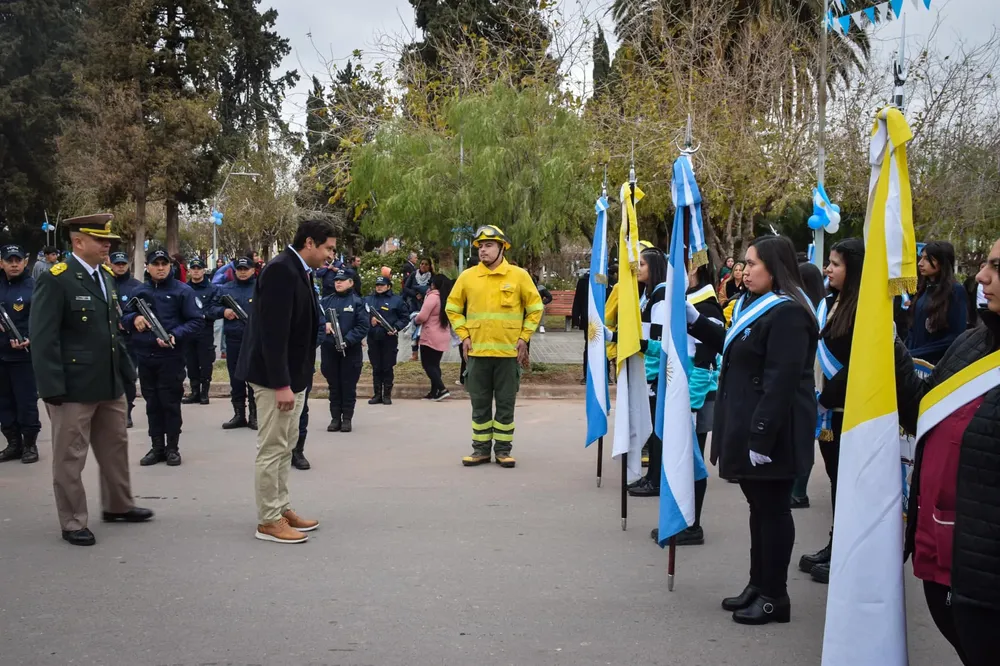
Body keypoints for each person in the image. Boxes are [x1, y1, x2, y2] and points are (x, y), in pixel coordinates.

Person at [686, 235, 818, 625]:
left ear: (775, 269)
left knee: (773, 510)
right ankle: (758, 584)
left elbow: (781, 381)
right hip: (751, 425)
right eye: (744, 262)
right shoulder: (753, 305)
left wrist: (761, 434)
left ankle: (776, 595)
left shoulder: (788, 312)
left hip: (775, 431)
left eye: (753, 263)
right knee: (758, 508)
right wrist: (695, 321)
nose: (744, 270)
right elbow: (735, 348)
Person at [896, 237, 1000, 666]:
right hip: (940, 559)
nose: (982, 276)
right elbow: (921, 411)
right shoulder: (972, 344)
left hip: (986, 580)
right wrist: (888, 344)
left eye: (997, 266)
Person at [29, 213, 153, 546]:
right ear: (78, 242)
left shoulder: (106, 277)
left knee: (115, 447)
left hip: (108, 382)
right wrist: (51, 387)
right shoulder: (57, 278)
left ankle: (118, 505)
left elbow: (111, 332)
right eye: (100, 240)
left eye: (108, 240)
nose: (107, 245)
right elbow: (43, 337)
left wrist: (125, 372)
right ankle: (72, 521)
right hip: (73, 386)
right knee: (70, 457)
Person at [236, 219, 335, 544]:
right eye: (328, 248)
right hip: (273, 379)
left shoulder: (300, 270)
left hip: (294, 377)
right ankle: (268, 520)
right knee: (272, 447)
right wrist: (281, 384)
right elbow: (272, 334)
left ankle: (281, 508)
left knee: (286, 445)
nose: (331, 256)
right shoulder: (280, 270)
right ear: (310, 243)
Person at [446, 225, 543, 468]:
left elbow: (535, 309)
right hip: (477, 353)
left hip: (508, 354)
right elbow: (452, 308)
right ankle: (480, 450)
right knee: (479, 404)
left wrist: (524, 337)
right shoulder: (467, 277)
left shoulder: (518, 276)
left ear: (502, 248)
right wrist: (464, 335)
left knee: (505, 404)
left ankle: (503, 451)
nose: (483, 250)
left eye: (489, 245)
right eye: (480, 246)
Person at [797, 239, 864, 582]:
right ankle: (836, 543)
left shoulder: (866, 307)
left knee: (851, 484)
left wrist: (825, 397)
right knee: (837, 480)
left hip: (847, 409)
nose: (828, 269)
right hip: (826, 411)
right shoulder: (828, 303)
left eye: (836, 264)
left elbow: (858, 364)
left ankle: (849, 552)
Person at [122, 249, 203, 467]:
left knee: (170, 403)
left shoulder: (182, 291)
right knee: (152, 404)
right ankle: (156, 447)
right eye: (155, 264)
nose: (160, 268)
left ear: (170, 266)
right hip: (145, 356)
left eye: (164, 264)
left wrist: (175, 334)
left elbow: (196, 321)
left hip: (171, 357)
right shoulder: (139, 292)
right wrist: (134, 319)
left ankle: (172, 448)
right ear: (147, 267)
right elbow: (124, 316)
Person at [626, 247, 668, 497]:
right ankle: (651, 476)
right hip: (648, 369)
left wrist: (632, 343)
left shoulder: (660, 295)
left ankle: (656, 479)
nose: (637, 269)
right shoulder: (649, 294)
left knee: (657, 430)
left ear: (655, 267)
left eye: (642, 264)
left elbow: (658, 341)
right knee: (652, 428)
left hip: (655, 373)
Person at [789, 260, 827, 509]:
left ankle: (798, 491)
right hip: (813, 379)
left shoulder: (807, 311)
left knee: (801, 438)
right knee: (805, 438)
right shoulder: (820, 308)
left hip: (809, 380)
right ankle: (798, 490)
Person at [0, 245, 40, 464]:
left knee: (26, 403)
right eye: (9, 260)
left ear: (25, 262)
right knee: (4, 403)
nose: (14, 264)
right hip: (1, 356)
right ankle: (13, 444)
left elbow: (42, 320)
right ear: (1, 263)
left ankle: (29, 445)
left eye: (18, 260)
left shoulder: (34, 287)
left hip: (24, 357)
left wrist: (31, 338)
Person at [319, 270, 369, 432]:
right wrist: (324, 325)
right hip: (330, 350)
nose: (338, 283)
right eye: (336, 280)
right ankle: (335, 418)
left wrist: (347, 340)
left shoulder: (358, 302)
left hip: (350, 351)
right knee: (334, 386)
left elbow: (363, 326)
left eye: (342, 280)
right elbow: (316, 320)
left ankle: (347, 418)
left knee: (348, 386)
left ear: (351, 282)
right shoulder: (325, 301)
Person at [906, 241, 967, 365]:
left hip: (935, 364)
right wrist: (905, 352)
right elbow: (913, 330)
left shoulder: (955, 291)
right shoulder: (923, 289)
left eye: (928, 259)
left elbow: (955, 337)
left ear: (942, 262)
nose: (920, 263)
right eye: (921, 258)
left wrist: (916, 354)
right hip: (913, 361)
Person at [214, 257, 258, 430]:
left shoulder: (260, 287)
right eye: (239, 269)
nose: (242, 272)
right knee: (236, 378)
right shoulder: (225, 289)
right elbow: (210, 308)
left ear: (253, 270)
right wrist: (223, 311)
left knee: (254, 378)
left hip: (254, 339)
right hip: (233, 339)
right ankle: (239, 414)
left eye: (246, 269)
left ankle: (255, 415)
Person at [108, 251, 143, 427]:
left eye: (123, 264)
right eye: (117, 264)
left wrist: (132, 320)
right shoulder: (104, 283)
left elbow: (144, 310)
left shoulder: (136, 287)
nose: (120, 267)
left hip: (130, 339)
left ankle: (127, 411)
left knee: (128, 376)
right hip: (108, 338)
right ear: (111, 264)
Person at [364, 275, 408, 406]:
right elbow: (360, 315)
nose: (379, 287)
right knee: (376, 367)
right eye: (377, 285)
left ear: (388, 286)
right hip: (373, 338)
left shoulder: (397, 300)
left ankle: (387, 395)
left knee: (387, 367)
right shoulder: (368, 299)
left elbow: (405, 318)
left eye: (382, 285)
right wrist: (370, 320)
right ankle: (377, 394)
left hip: (389, 338)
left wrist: (396, 327)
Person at [182, 258, 219, 406]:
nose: (196, 271)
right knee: (191, 362)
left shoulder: (212, 289)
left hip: (205, 329)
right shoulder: (184, 289)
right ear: (189, 271)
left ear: (204, 270)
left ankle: (204, 393)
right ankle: (195, 391)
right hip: (189, 330)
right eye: (193, 268)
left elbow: (215, 308)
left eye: (199, 268)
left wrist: (202, 315)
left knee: (205, 362)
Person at [415, 273, 453, 401]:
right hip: (443, 335)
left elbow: (422, 316)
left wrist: (415, 319)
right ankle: (434, 392)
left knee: (427, 365)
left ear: (434, 284)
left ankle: (442, 389)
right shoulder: (446, 297)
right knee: (435, 365)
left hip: (430, 335)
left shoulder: (433, 297)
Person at [403, 257, 434, 361]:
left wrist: (425, 294)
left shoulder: (432, 277)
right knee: (414, 328)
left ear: (429, 266)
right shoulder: (413, 275)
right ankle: (414, 353)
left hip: (428, 305)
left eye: (426, 264)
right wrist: (415, 294)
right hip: (414, 305)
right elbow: (406, 288)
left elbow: (435, 289)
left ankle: (427, 353)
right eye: (422, 264)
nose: (423, 266)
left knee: (427, 329)